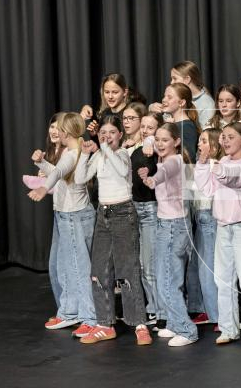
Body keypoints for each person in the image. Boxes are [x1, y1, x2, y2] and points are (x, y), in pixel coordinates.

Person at [74, 115, 151, 345]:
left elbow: (119, 171)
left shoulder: (123, 155)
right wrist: (87, 153)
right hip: (103, 215)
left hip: (123, 213)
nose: (107, 136)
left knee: (128, 269)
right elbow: (80, 179)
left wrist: (104, 148)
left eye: (111, 132)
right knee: (99, 269)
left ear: (120, 135)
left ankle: (139, 323)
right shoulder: (99, 155)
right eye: (103, 133)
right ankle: (104, 323)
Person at [194, 122, 241, 348]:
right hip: (224, 226)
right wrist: (203, 163)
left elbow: (235, 178)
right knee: (223, 280)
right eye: (223, 137)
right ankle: (228, 328)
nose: (224, 140)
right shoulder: (221, 162)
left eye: (230, 136)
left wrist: (216, 168)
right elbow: (208, 188)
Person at [28, 113, 96, 338]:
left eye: (60, 129)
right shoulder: (70, 151)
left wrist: (41, 188)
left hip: (74, 216)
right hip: (69, 215)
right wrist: (41, 163)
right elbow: (58, 172)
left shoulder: (74, 152)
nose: (57, 132)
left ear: (67, 132)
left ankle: (89, 317)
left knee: (78, 269)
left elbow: (58, 172)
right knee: (67, 266)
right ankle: (70, 311)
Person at [141, 123, 197, 347]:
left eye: (166, 140)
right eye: (158, 140)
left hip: (174, 226)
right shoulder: (166, 158)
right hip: (168, 224)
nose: (160, 144)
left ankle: (186, 329)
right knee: (167, 277)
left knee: (167, 280)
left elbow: (163, 174)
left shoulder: (173, 162)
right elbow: (148, 141)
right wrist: (150, 142)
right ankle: (174, 322)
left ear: (177, 142)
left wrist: (152, 179)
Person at [22, 113, 66, 316]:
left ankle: (70, 311)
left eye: (59, 127)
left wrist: (46, 171)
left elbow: (65, 179)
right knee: (55, 266)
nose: (54, 131)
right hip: (60, 212)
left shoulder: (69, 152)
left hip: (71, 213)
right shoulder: (51, 151)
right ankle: (64, 310)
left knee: (64, 266)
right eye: (52, 127)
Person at [129, 112, 164, 327]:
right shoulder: (135, 148)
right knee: (142, 265)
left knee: (150, 266)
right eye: (143, 126)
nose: (144, 130)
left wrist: (151, 139)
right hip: (135, 207)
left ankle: (160, 311)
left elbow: (155, 145)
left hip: (151, 209)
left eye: (150, 127)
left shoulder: (154, 148)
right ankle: (152, 308)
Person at [189, 128, 224, 330]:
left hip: (209, 216)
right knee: (201, 268)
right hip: (200, 216)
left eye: (203, 141)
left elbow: (206, 190)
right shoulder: (203, 164)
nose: (199, 145)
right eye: (199, 140)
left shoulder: (215, 165)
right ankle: (209, 310)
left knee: (208, 269)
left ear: (214, 146)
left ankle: (218, 315)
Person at [159, 83, 201, 161]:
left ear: (181, 102)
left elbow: (188, 157)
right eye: (164, 96)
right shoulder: (172, 124)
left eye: (169, 97)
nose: (164, 100)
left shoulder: (186, 127)